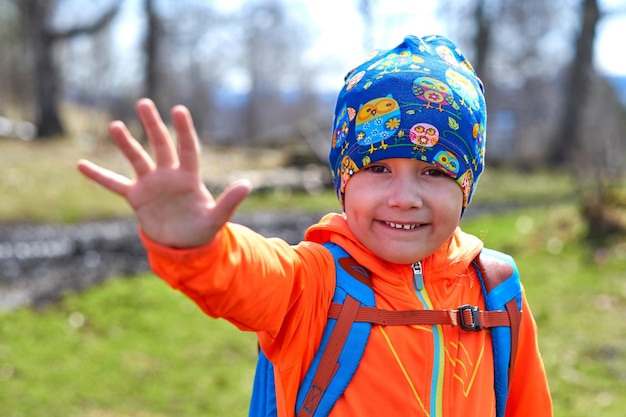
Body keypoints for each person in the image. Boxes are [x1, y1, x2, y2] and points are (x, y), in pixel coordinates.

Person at [78, 35, 552, 417]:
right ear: (343, 181)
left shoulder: (497, 291)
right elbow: (249, 274)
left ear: (466, 187)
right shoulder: (314, 284)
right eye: (378, 168)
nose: (404, 198)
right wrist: (198, 246)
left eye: (435, 171)